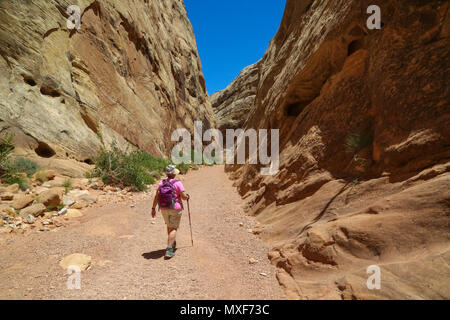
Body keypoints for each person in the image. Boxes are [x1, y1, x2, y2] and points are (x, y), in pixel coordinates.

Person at [152, 165, 189, 259]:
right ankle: (169, 249)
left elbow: (156, 197)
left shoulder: (161, 183)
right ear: (174, 174)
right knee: (174, 228)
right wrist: (187, 197)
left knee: (169, 226)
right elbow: (184, 197)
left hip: (164, 208)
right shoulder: (178, 183)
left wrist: (153, 208)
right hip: (175, 208)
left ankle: (172, 242)